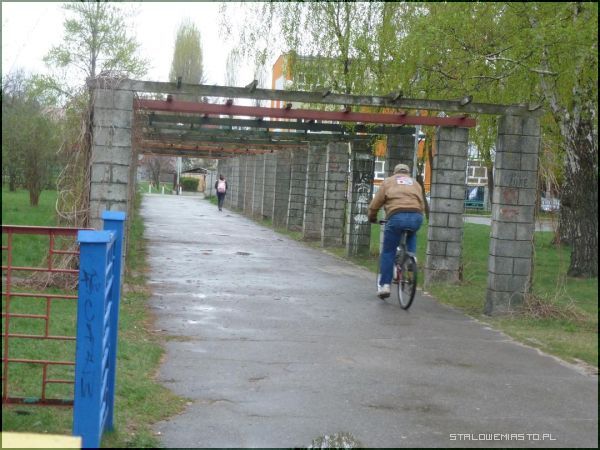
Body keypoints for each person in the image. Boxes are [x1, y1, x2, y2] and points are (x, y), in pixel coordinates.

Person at [368, 163, 425, 299]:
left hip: (396, 216)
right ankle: (411, 258)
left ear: (395, 172)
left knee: (388, 252)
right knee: (411, 232)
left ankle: (385, 286)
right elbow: (421, 204)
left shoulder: (388, 182)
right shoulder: (415, 183)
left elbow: (376, 203)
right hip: (416, 216)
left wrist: (372, 217)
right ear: (408, 173)